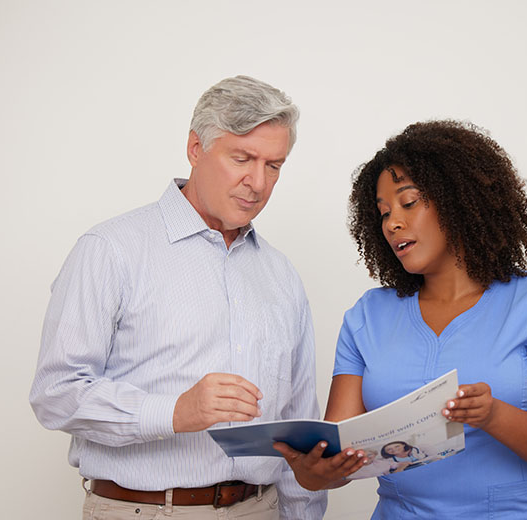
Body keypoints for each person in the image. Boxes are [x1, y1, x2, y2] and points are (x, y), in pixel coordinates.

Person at [30, 75, 327, 520]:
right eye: (242, 158)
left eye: (274, 166)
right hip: (147, 510)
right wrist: (174, 411)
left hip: (261, 508)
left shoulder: (281, 274)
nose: (258, 182)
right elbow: (56, 393)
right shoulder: (111, 250)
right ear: (195, 148)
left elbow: (297, 421)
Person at [274, 120, 527, 519]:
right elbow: (338, 450)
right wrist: (314, 472)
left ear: (459, 199)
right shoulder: (368, 316)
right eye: (383, 212)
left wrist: (494, 415)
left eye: (408, 203)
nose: (393, 223)